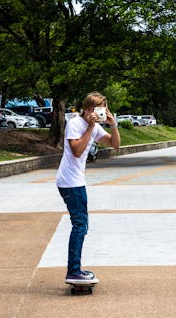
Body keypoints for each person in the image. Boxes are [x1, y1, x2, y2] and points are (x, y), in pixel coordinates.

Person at [56, 91, 120, 284]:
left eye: (102, 109)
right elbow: (76, 151)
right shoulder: (76, 123)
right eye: (95, 109)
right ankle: (73, 270)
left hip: (76, 180)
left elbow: (115, 145)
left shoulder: (95, 127)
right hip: (70, 181)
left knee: (81, 225)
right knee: (80, 225)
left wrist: (113, 125)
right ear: (86, 109)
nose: (99, 113)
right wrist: (91, 126)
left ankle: (75, 269)